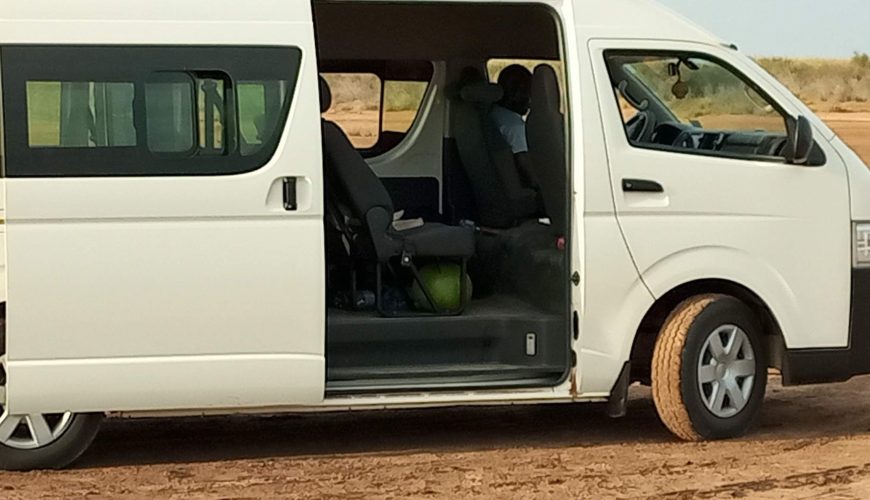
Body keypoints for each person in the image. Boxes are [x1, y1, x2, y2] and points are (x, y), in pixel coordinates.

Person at [490, 64, 538, 191]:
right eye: (528, 92)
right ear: (518, 94)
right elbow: (527, 167)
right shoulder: (514, 127)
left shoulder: (494, 114)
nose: (530, 100)